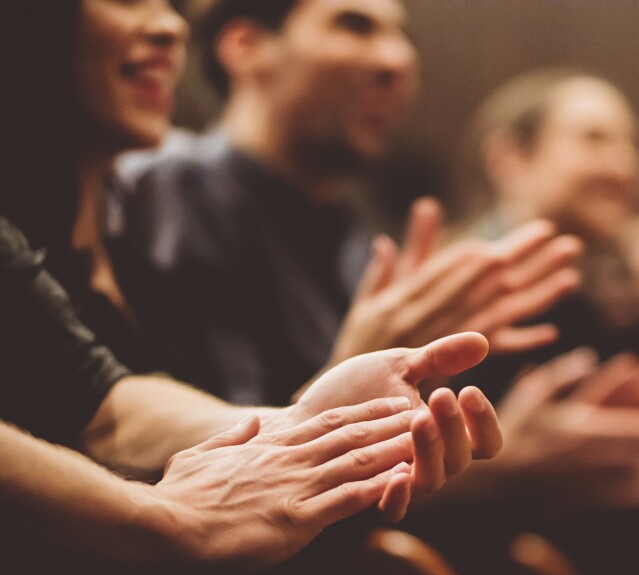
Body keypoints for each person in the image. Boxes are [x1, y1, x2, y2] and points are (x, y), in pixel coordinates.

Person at [0, 0, 508, 575]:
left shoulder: (339, 223)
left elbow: (102, 401)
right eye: (354, 25)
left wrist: (306, 420)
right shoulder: (180, 194)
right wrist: (167, 518)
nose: (172, 27)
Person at [112, 0, 582, 406]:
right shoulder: (174, 191)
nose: (399, 60)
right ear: (247, 48)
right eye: (354, 25)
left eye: (403, 36)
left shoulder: (354, 226)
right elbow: (209, 469)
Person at [415, 69, 639, 575]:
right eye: (594, 139)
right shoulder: (453, 291)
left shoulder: (600, 292)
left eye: (628, 143)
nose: (624, 167)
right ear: (511, 160)